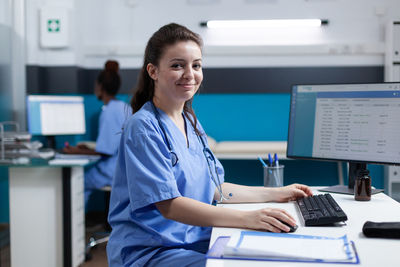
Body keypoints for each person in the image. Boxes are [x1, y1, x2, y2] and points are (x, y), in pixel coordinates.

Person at [107, 23, 313, 267]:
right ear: (153, 71)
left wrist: (277, 193)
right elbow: (170, 205)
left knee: (276, 252)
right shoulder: (143, 127)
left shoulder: (190, 121)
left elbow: (216, 189)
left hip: (194, 239)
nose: (190, 74)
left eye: (196, 65)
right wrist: (249, 218)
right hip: (152, 251)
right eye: (177, 65)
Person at [63, 60, 131, 204]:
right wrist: (87, 149)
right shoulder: (123, 107)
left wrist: (75, 151)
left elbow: (105, 151)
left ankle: (74, 225)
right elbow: (111, 145)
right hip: (125, 168)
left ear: (100, 87)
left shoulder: (110, 111)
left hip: (113, 170)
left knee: (77, 184)